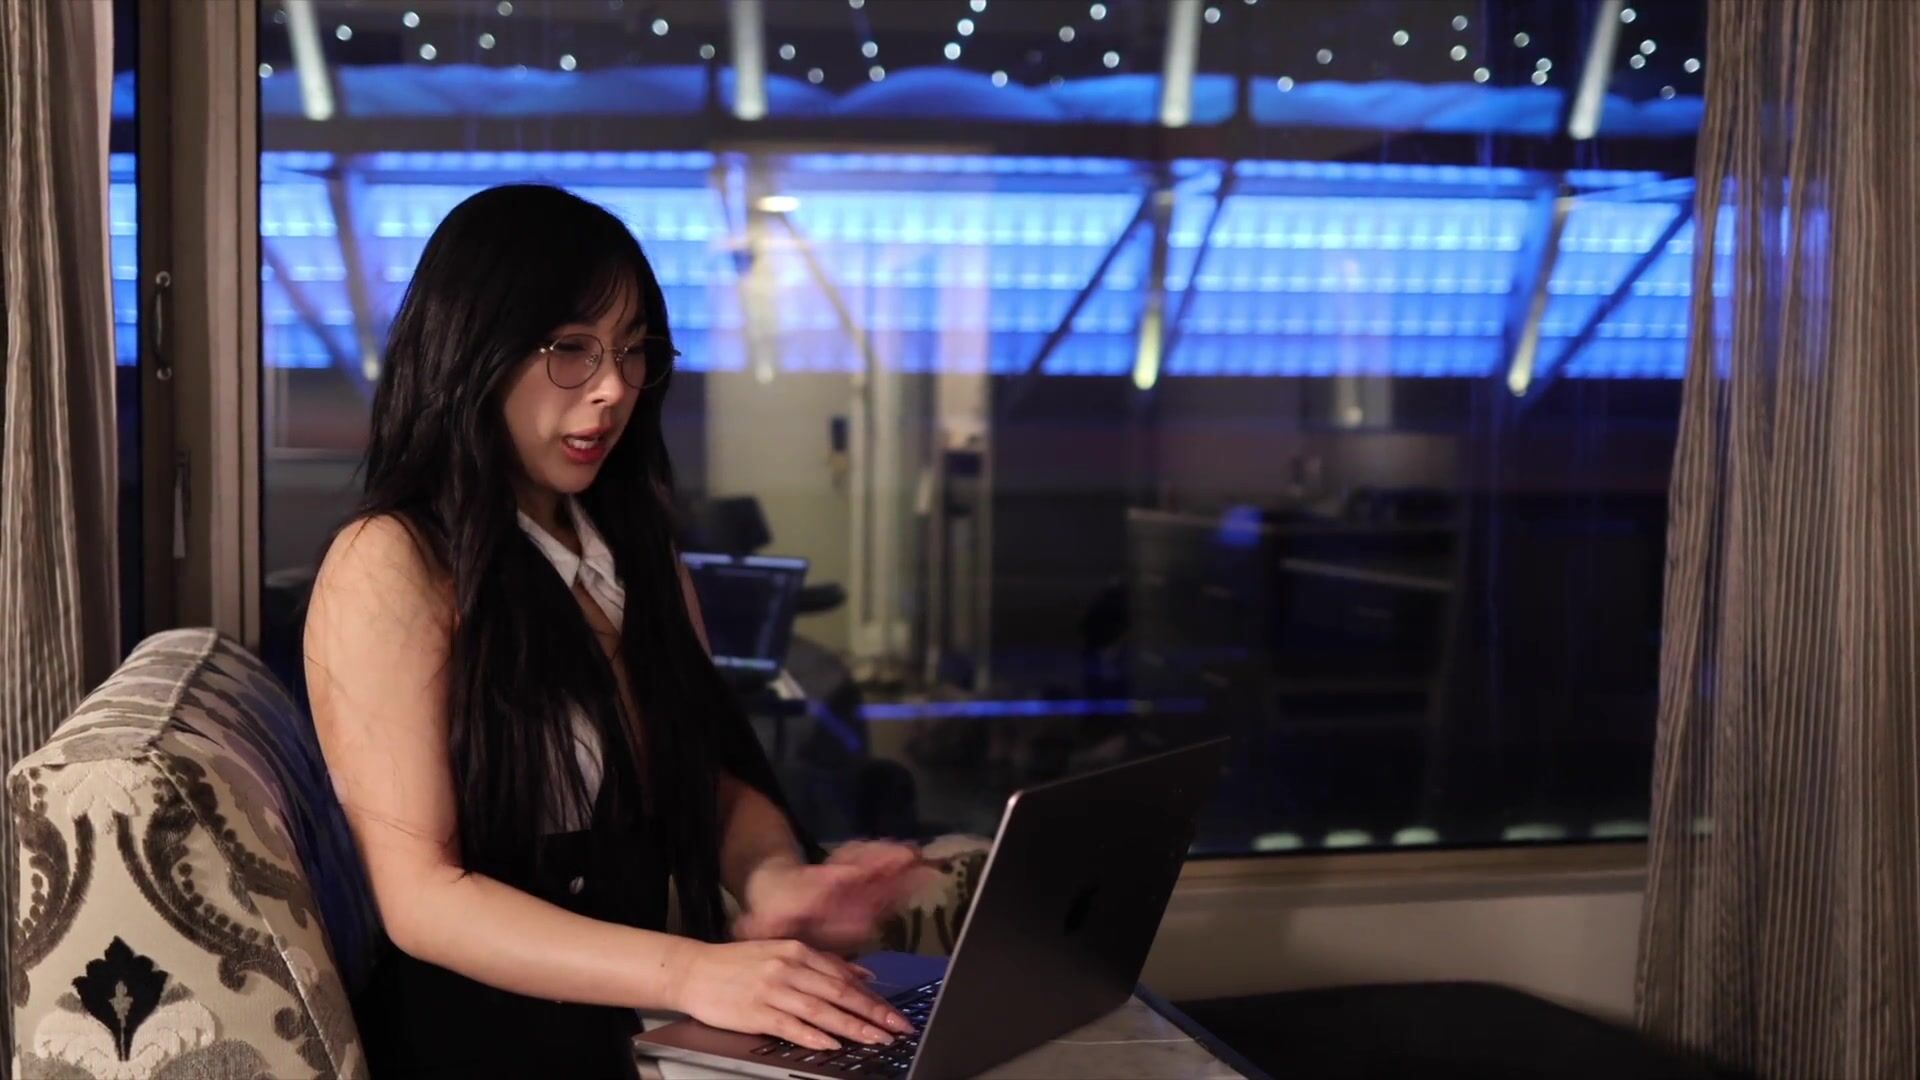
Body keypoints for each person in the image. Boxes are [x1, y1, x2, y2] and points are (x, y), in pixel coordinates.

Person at [304, 184, 925, 1079]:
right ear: (470, 347)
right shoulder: (391, 559)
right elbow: (422, 898)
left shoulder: (632, 547)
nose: (613, 389)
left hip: (640, 1028)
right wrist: (695, 972)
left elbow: (709, 781)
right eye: (571, 349)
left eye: (634, 352)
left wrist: (781, 883)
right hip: (489, 1049)